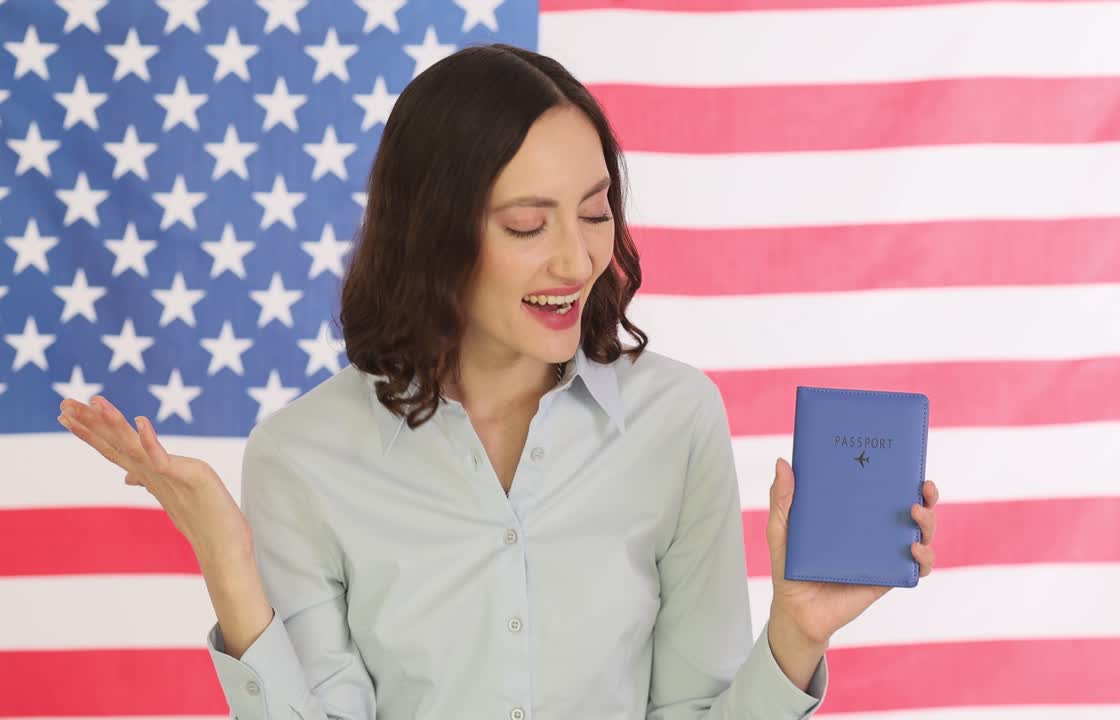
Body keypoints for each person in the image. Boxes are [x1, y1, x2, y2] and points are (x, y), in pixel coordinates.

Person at [55, 43, 939, 719]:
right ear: (435, 234)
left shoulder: (675, 419)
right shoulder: (302, 454)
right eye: (528, 224)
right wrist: (228, 565)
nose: (577, 256)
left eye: (596, 212)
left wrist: (794, 638)